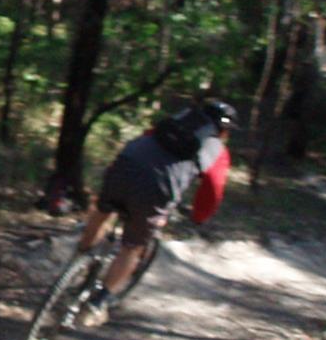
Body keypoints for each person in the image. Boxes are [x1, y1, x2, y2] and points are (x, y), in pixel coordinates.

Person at [74, 100, 239, 328]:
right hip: (157, 189)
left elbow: (144, 140)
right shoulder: (218, 149)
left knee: (103, 210)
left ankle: (79, 260)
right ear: (224, 130)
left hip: (124, 165)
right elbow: (212, 189)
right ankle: (96, 304)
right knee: (133, 246)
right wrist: (199, 217)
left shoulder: (173, 123)